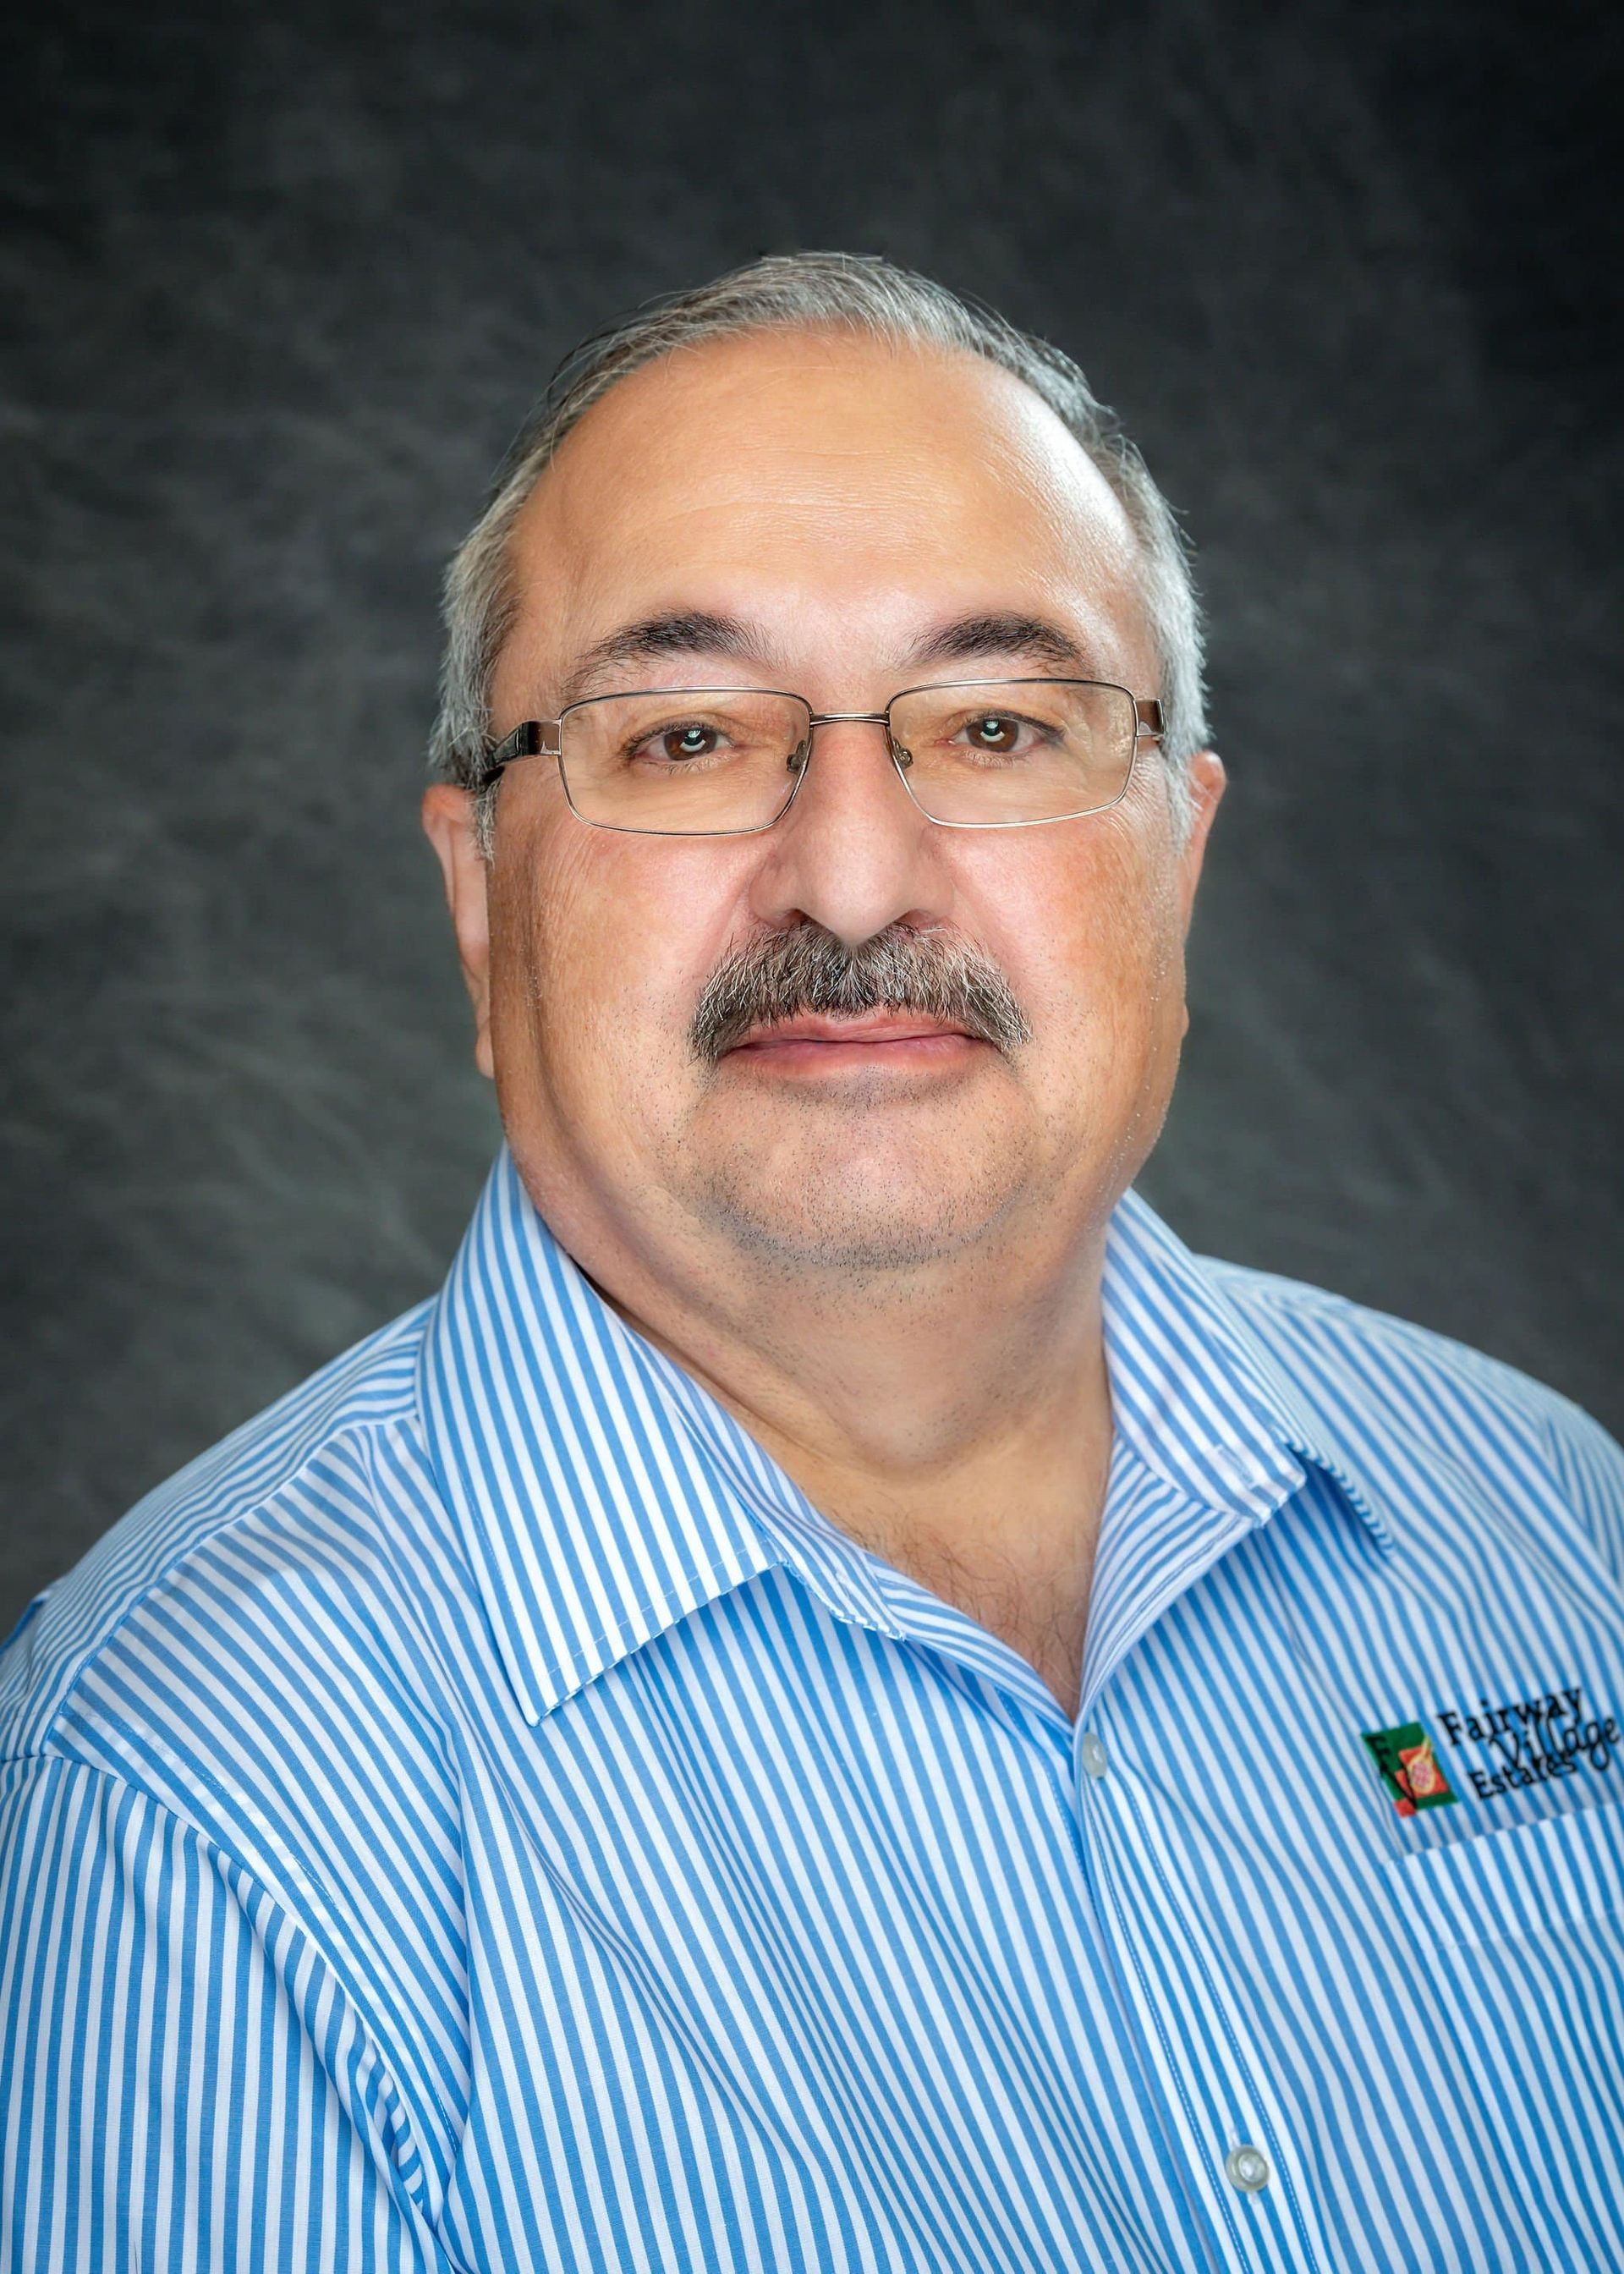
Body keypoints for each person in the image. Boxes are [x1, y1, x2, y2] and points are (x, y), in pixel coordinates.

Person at [3, 251, 1621, 2274]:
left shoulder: (1545, 1520)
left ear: (1176, 863)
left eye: (1003, 725)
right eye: (682, 737)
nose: (852, 874)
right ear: (482, 899)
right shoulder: (189, 1799)